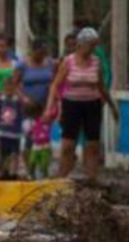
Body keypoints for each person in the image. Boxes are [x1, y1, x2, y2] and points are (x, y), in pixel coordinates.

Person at [45, 27, 118, 182]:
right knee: (68, 146)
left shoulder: (96, 61)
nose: (93, 49)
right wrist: (50, 106)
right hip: (71, 105)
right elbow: (55, 85)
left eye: (94, 46)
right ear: (81, 44)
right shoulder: (68, 61)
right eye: (90, 45)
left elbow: (101, 87)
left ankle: (92, 180)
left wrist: (112, 107)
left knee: (92, 146)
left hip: (92, 105)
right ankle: (60, 179)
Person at [0, 78, 25, 179]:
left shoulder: (18, 102)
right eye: (6, 88)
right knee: (1, 153)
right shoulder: (0, 101)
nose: (9, 91)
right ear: (3, 89)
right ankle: (1, 172)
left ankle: (14, 173)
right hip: (2, 132)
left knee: (15, 154)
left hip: (15, 134)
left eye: (11, 88)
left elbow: (21, 115)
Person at [24, 103, 52, 180]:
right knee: (32, 161)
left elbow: (49, 117)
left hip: (45, 146)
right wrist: (30, 135)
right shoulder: (32, 121)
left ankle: (44, 176)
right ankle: (31, 175)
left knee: (44, 163)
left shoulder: (46, 121)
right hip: (35, 146)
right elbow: (28, 132)